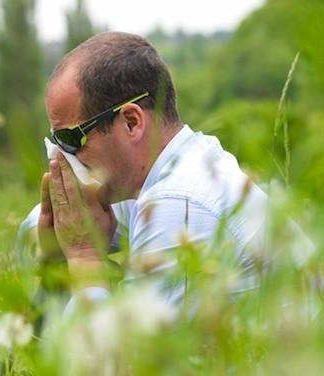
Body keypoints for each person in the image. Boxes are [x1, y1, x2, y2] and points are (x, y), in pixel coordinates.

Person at [17, 31, 305, 312]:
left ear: (131, 122)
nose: (63, 157)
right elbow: (37, 228)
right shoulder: (175, 166)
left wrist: (83, 256)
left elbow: (115, 358)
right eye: (55, 143)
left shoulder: (180, 203)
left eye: (71, 139)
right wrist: (55, 246)